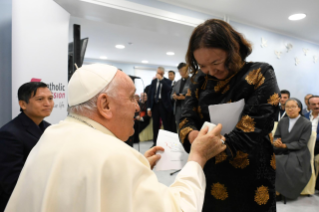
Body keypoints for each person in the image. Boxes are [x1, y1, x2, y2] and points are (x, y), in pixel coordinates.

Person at [5, 64, 227, 212]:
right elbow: (177, 208)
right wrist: (197, 158)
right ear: (105, 104)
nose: (137, 105)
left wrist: (137, 169)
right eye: (132, 97)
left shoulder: (53, 134)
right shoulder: (116, 156)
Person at [180, 19, 280, 212]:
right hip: (210, 172)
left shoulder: (260, 73)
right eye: (202, 65)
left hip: (252, 171)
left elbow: (254, 127)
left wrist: (203, 149)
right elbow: (185, 118)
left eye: (216, 62)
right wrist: (192, 135)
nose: (210, 71)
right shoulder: (198, 81)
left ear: (232, 50)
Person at [0, 82, 53, 211]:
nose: (47, 103)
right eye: (40, 99)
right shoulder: (9, 133)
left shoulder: (50, 128)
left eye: (50, 98)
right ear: (23, 104)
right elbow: (11, 182)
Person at [273, 98, 312, 200]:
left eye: (293, 107)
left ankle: (278, 192)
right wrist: (276, 142)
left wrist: (285, 146)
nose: (290, 109)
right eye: (287, 107)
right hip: (281, 150)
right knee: (264, 157)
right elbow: (276, 136)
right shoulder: (283, 121)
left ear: (299, 108)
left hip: (299, 153)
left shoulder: (306, 123)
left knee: (277, 161)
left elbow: (302, 143)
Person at [147, 67, 173, 146]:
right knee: (155, 124)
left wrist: (161, 80)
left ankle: (167, 142)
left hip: (164, 105)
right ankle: (155, 142)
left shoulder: (167, 81)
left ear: (163, 74)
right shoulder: (154, 81)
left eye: (160, 73)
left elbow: (168, 89)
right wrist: (149, 108)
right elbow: (150, 94)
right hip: (155, 105)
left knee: (166, 124)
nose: (158, 75)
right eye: (157, 73)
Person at [172, 63, 191, 133]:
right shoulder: (177, 82)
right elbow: (172, 94)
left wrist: (184, 97)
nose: (183, 72)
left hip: (188, 109)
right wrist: (174, 96)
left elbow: (195, 96)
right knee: (179, 129)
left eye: (185, 70)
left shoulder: (192, 81)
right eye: (181, 71)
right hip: (177, 109)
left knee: (188, 128)